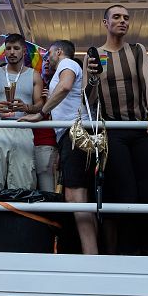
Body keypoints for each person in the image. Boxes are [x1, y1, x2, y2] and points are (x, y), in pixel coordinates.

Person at [85, 5, 148, 255]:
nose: (122, 21)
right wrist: (92, 79)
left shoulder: (137, 49)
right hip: (113, 131)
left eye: (126, 18)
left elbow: (147, 82)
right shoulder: (94, 54)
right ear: (105, 22)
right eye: (117, 17)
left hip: (142, 129)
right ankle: (128, 255)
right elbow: (89, 100)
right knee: (125, 193)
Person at [21, 40, 96, 253]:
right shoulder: (63, 68)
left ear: (59, 52)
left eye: (49, 54)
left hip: (75, 133)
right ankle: (87, 252)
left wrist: (41, 112)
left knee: (77, 196)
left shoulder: (67, 64)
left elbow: (65, 86)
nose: (47, 59)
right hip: (68, 135)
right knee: (73, 195)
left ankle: (91, 256)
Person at [0, 33, 44, 190]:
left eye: (16, 48)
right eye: (8, 48)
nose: (12, 52)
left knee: (23, 182)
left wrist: (27, 108)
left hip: (22, 126)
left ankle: (18, 214)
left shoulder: (34, 75)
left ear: (23, 50)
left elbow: (40, 106)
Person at [31, 56, 59, 192]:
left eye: (50, 60)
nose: (47, 63)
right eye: (44, 61)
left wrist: (51, 102)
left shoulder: (63, 85)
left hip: (56, 143)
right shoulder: (35, 83)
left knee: (54, 191)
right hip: (35, 142)